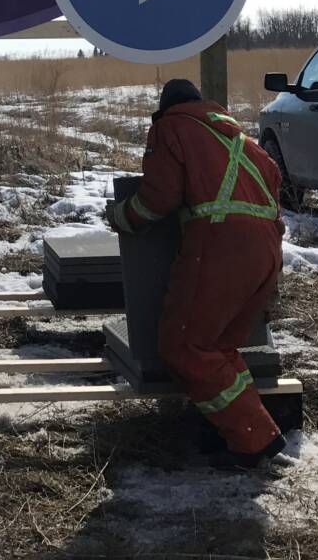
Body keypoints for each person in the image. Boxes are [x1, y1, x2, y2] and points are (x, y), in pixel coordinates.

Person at [105, 78, 288, 470]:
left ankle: (252, 440)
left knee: (184, 346)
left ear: (166, 107)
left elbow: (159, 197)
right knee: (217, 348)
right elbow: (275, 199)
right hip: (267, 251)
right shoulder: (240, 138)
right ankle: (251, 432)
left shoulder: (171, 126)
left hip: (221, 248)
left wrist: (121, 217)